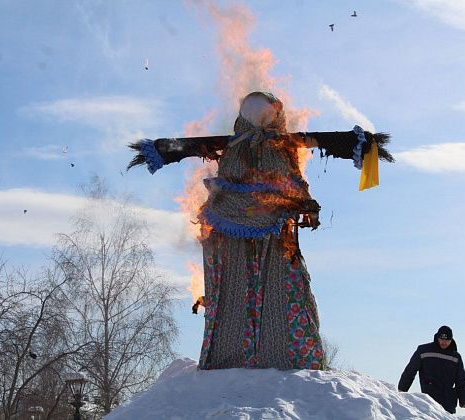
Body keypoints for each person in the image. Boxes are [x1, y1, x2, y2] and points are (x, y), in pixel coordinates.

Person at [127, 91, 392, 370]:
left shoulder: (255, 147)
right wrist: (306, 203)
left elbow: (291, 180)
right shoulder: (255, 146)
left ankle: (262, 355)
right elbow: (291, 183)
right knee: (256, 288)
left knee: (266, 288)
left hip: (252, 230)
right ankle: (256, 357)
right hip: (244, 230)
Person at [398, 325, 465, 414]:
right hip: (429, 401)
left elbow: (461, 380)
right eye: (441, 339)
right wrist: (402, 389)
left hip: (448, 402)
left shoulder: (455, 357)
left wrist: (464, 400)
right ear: (437, 337)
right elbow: (410, 370)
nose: (444, 342)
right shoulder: (423, 351)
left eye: (447, 340)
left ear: (451, 340)